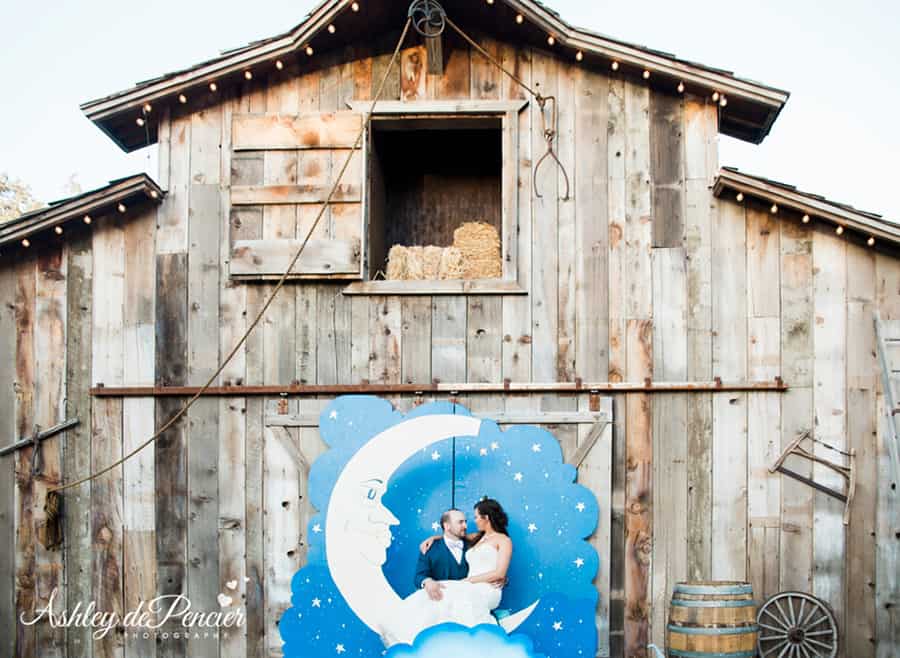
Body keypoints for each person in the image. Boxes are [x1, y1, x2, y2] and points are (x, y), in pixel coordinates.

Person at [382, 499, 513, 648]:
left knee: (445, 590)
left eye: (476, 517)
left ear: (486, 518)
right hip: (469, 586)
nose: (471, 522)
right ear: (447, 526)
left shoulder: (504, 540)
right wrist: (435, 538)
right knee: (434, 594)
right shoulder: (477, 538)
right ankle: (409, 636)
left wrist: (468, 581)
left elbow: (500, 573)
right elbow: (453, 536)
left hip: (485, 589)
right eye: (461, 522)